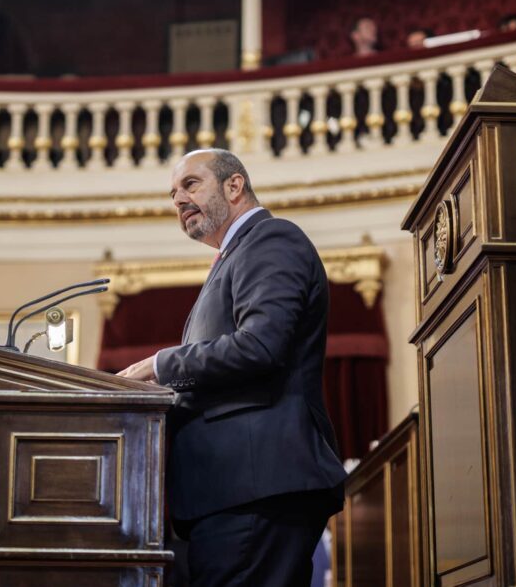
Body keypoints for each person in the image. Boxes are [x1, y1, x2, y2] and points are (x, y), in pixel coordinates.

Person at [118, 149, 346, 587]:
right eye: (172, 194)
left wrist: (159, 366)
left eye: (190, 184)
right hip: (231, 492)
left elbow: (261, 346)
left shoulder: (271, 238)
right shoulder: (234, 255)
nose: (178, 200)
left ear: (234, 186)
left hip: (256, 486)